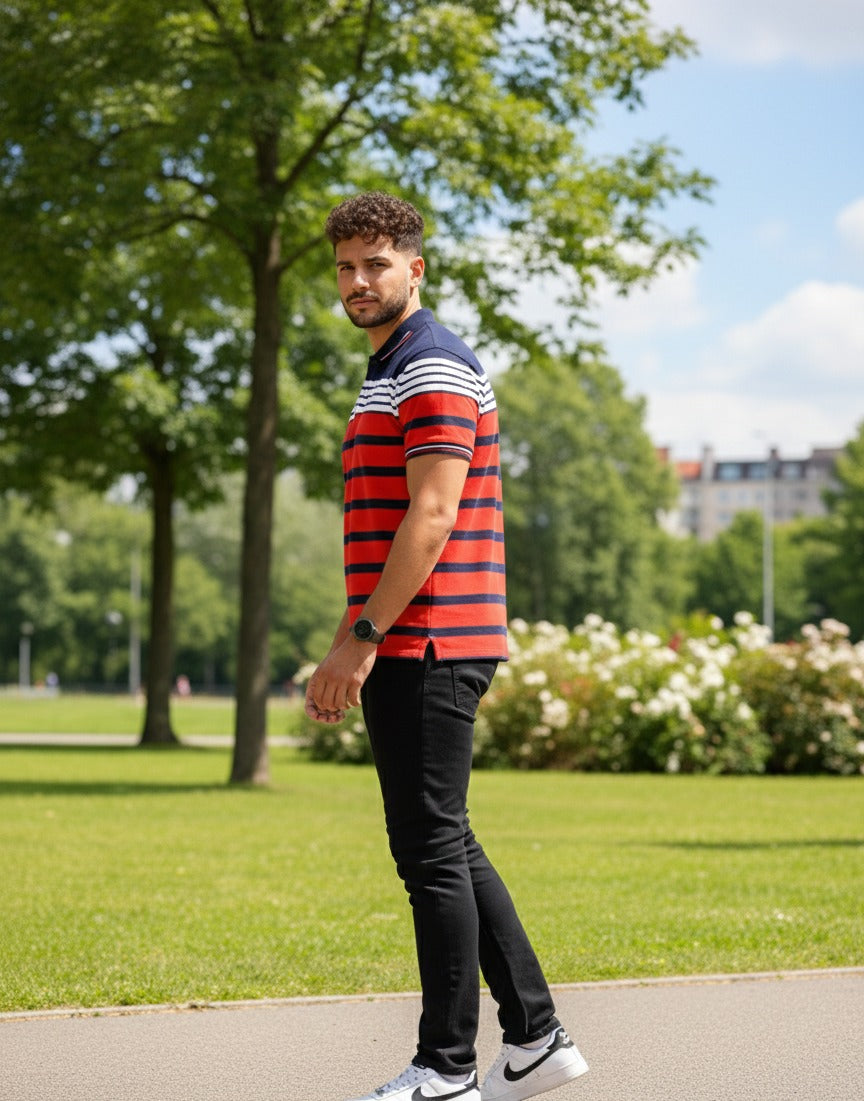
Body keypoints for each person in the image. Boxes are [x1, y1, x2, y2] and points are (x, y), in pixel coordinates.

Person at [305, 191, 589, 1101]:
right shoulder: (394, 367)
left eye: (375, 263)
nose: (358, 281)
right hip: (429, 638)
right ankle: (538, 1036)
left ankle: (447, 1067)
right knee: (446, 840)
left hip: (427, 639)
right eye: (346, 265)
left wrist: (361, 638)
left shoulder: (428, 363)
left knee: (428, 848)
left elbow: (431, 518)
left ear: (415, 267)